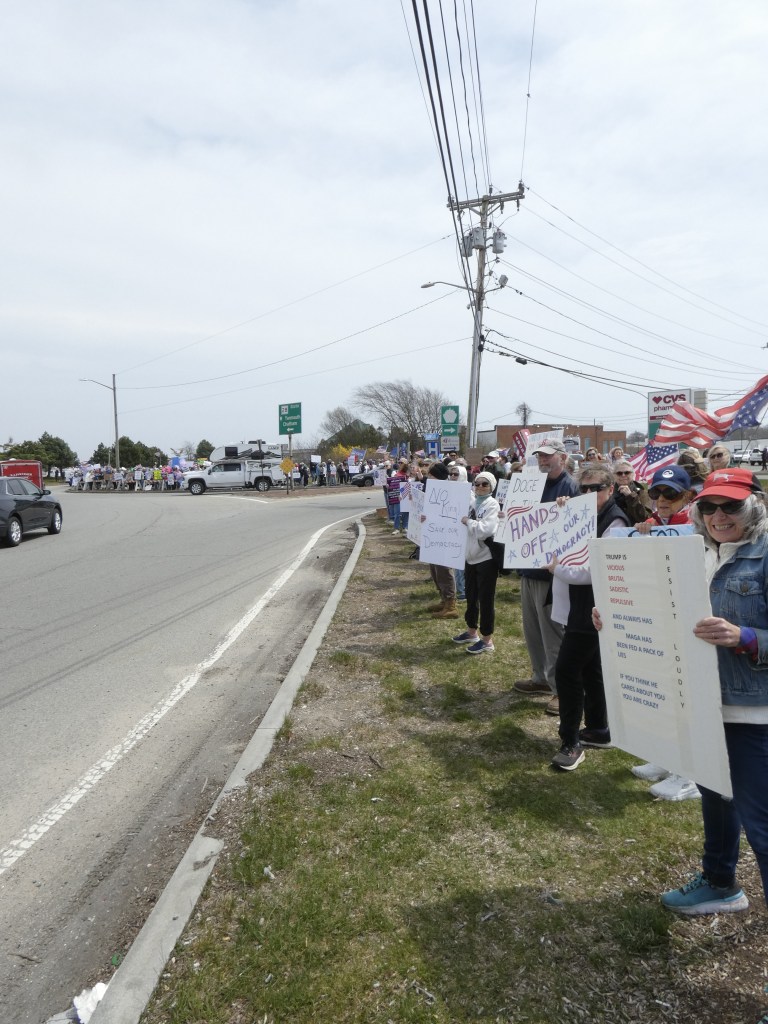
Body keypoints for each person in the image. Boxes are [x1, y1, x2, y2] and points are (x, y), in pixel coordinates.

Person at [654, 467, 768, 915]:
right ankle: (720, 882)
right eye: (709, 506)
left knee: (762, 827)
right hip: (704, 701)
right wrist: (615, 619)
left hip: (754, 713)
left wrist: (746, 637)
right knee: (717, 797)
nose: (719, 515)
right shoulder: (694, 553)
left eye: (731, 506)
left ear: (753, 507)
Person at [548, 463, 630, 770]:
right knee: (591, 668)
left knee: (567, 671)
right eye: (583, 488)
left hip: (594, 609)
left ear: (610, 489)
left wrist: (558, 569)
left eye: (596, 488)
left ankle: (571, 742)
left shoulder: (615, 521)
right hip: (580, 606)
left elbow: (599, 570)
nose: (589, 493)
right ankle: (598, 728)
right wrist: (562, 510)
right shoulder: (584, 513)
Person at [514, 440, 579, 715]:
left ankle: (561, 690)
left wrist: (568, 508)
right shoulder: (532, 484)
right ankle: (540, 677)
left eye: (548, 456)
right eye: (540, 456)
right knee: (532, 631)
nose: (542, 460)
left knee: (553, 635)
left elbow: (578, 525)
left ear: (562, 458)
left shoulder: (570, 487)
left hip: (551, 574)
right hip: (528, 569)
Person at [452, 471, 501, 654]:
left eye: (484, 484)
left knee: (486, 599)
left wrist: (468, 522)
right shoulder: (471, 502)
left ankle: (487, 639)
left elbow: (484, 531)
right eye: (477, 483)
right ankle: (472, 631)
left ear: (491, 487)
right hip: (470, 557)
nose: (480, 487)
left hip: (486, 558)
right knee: (471, 596)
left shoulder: (492, 505)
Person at [421, 462, 459, 619]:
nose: (428, 478)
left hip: (446, 537)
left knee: (444, 570)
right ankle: (444, 599)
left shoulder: (452, 491)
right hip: (433, 534)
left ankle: (451, 604)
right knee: (435, 569)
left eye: (431, 475)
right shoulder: (432, 491)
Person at [612, 460, 651, 524]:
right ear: (614, 475)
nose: (623, 475)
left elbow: (646, 518)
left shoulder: (642, 492)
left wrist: (630, 496)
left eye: (627, 472)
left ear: (633, 474)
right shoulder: (608, 492)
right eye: (619, 473)